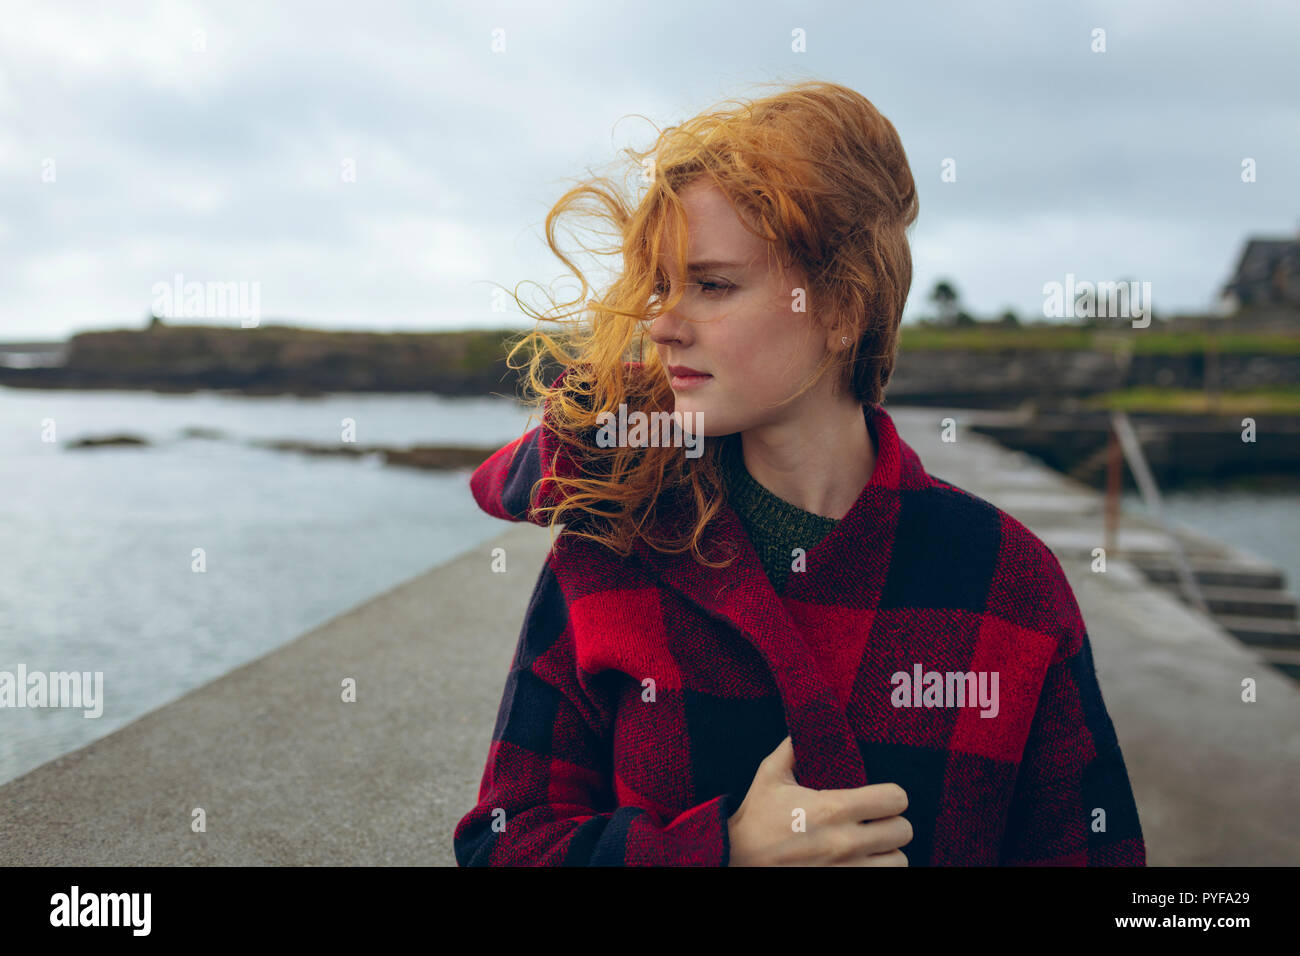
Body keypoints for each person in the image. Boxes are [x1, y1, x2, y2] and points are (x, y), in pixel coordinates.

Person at [453, 79, 1145, 866]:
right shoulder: (611, 544)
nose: (661, 324)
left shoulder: (1007, 581)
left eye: (712, 285)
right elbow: (501, 844)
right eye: (661, 286)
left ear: (845, 307)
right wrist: (723, 854)